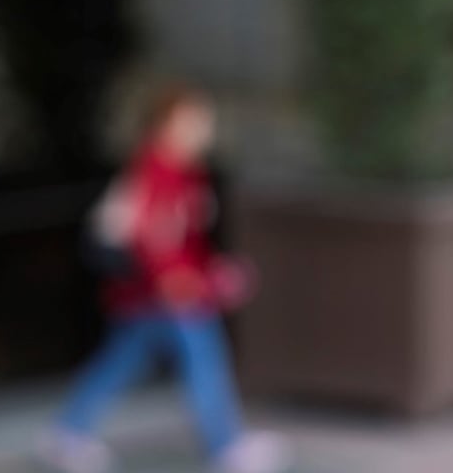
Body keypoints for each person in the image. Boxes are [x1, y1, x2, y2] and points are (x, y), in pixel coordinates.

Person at [39, 84, 288, 473]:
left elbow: (185, 236)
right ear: (166, 124)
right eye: (193, 122)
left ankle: (70, 431)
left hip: (156, 294)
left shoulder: (184, 173)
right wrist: (179, 278)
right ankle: (225, 445)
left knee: (122, 360)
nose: (202, 131)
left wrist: (210, 272)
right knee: (204, 359)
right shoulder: (156, 170)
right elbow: (150, 236)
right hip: (164, 293)